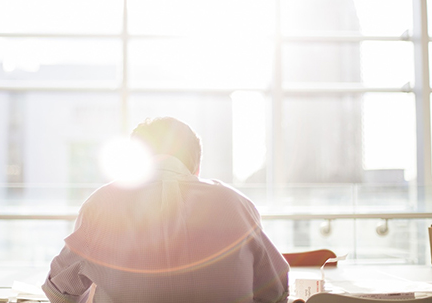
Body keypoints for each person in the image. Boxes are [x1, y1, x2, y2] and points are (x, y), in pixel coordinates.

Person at [42, 117, 290, 303]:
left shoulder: (103, 204)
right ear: (196, 167)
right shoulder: (236, 205)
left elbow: (59, 290)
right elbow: (276, 290)